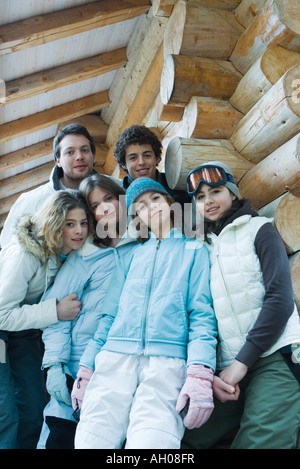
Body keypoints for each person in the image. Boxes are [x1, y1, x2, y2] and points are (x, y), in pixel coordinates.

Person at [73, 177, 218, 449]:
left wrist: (200, 371)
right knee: (91, 440)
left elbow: (202, 317)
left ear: (169, 203)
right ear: (137, 217)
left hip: (167, 363)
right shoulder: (128, 256)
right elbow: (109, 316)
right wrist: (87, 366)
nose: (151, 207)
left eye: (156, 199)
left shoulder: (194, 250)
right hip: (115, 359)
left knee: (153, 442)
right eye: (141, 206)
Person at [182, 161, 300, 449]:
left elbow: (280, 300)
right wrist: (219, 370)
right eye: (200, 197)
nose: (208, 200)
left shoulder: (259, 230)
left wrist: (241, 363)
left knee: (259, 442)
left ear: (233, 193)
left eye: (216, 191)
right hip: (228, 369)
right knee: (183, 437)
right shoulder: (202, 247)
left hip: (276, 356)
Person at [37, 174, 137, 449]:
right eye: (95, 205)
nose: (105, 208)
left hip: (120, 365)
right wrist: (55, 363)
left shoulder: (143, 246)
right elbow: (57, 312)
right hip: (75, 363)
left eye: (109, 199)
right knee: (63, 439)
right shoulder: (86, 254)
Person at [0, 190, 90, 449]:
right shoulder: (24, 255)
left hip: (22, 330)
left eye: (83, 223)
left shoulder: (63, 254)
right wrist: (56, 312)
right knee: (5, 410)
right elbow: (2, 314)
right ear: (54, 224)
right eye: (69, 224)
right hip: (2, 331)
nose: (79, 231)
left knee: (34, 404)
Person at [0, 123, 98, 248]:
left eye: (84, 150)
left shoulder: (115, 190)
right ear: (58, 161)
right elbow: (8, 245)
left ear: (94, 157)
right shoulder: (31, 200)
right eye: (70, 152)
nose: (79, 157)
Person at [114, 124, 191, 208]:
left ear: (157, 157)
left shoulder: (177, 187)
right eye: (133, 158)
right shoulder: (118, 197)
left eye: (147, 155)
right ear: (123, 164)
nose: (141, 162)